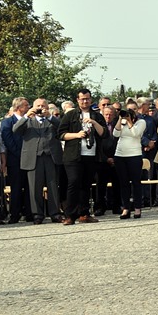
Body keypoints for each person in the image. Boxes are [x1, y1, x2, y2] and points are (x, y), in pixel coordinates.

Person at [57, 88, 107, 225]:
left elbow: (104, 134)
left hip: (91, 155)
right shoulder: (70, 115)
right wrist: (77, 135)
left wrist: (94, 123)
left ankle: (84, 213)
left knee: (86, 184)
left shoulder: (97, 116)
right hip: (73, 155)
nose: (85, 101)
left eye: (87, 98)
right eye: (82, 99)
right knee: (73, 182)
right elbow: (61, 134)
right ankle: (70, 215)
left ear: (91, 99)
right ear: (77, 100)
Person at [13, 98, 63, 224]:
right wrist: (26, 116)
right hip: (33, 158)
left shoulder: (52, 120)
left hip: (51, 157)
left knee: (53, 186)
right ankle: (37, 214)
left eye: (43, 106)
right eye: (38, 106)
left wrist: (50, 116)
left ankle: (55, 213)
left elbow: (62, 127)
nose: (41, 108)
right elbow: (15, 130)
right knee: (35, 187)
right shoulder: (28, 121)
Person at [0, 98, 32, 223]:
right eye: (26, 105)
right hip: (15, 160)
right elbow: (9, 142)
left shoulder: (31, 120)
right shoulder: (7, 122)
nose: (28, 107)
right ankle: (14, 214)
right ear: (19, 107)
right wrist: (22, 155)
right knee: (16, 188)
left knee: (30, 187)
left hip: (31, 160)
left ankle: (29, 213)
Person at [112, 100, 146, 219]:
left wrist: (130, 121)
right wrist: (121, 119)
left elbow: (136, 134)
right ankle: (126, 208)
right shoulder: (123, 121)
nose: (131, 112)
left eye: (133, 110)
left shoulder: (141, 122)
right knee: (123, 183)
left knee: (136, 183)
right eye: (129, 110)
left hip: (134, 155)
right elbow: (115, 134)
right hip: (120, 155)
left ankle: (137, 208)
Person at [95, 105, 120, 216]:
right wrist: (106, 159)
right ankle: (100, 207)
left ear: (114, 115)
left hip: (116, 158)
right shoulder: (98, 126)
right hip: (102, 160)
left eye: (110, 114)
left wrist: (115, 158)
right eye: (106, 114)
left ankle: (117, 206)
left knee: (117, 184)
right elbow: (97, 145)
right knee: (101, 185)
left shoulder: (119, 126)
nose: (108, 116)